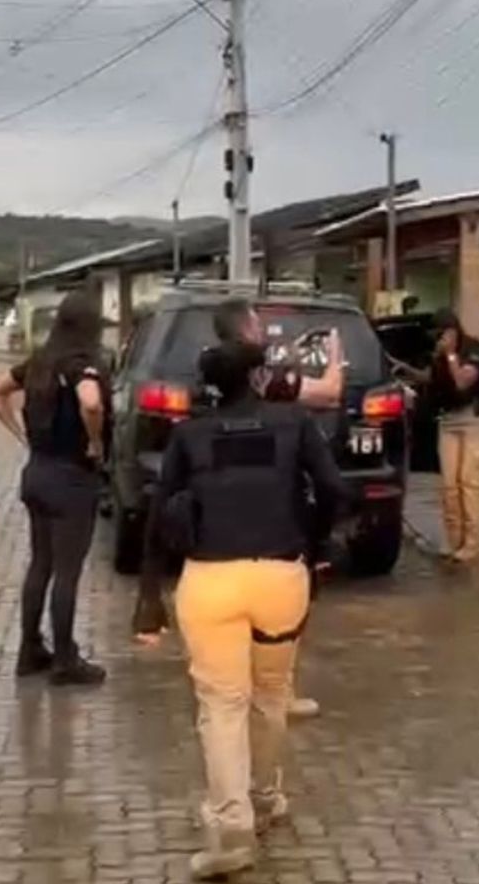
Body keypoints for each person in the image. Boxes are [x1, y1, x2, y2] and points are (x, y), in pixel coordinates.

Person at [157, 341, 354, 879]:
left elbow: (158, 512)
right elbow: (336, 489)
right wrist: (314, 545)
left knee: (221, 705)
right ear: (261, 375)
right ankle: (266, 797)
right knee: (270, 694)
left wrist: (146, 599)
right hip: (279, 577)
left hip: (209, 583)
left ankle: (231, 830)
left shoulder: (188, 435)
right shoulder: (293, 425)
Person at [135, 296, 339, 718]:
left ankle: (239, 692)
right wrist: (337, 354)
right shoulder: (268, 380)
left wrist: (149, 592)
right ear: (245, 332)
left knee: (224, 626)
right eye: (256, 325)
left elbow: (161, 498)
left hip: (213, 524)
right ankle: (272, 696)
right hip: (274, 518)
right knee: (271, 615)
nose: (262, 331)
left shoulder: (202, 375)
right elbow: (331, 391)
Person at [0, 292, 111, 687]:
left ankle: (29, 649)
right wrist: (95, 442)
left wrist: (19, 433)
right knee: (68, 571)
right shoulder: (83, 364)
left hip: (37, 471)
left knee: (41, 564)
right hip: (72, 477)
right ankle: (65, 659)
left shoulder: (40, 361)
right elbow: (91, 403)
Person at [429, 309, 479, 562]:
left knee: (470, 482)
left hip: (473, 420)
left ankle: (473, 543)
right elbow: (436, 383)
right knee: (449, 485)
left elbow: (463, 382)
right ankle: (455, 540)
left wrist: (451, 355)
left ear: (453, 332)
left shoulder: (474, 349)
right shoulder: (438, 355)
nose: (440, 340)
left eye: (443, 335)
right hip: (448, 419)